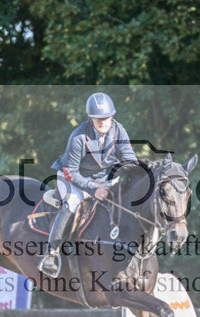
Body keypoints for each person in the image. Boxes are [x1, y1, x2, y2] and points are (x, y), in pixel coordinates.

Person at [40, 92, 138, 277]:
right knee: (72, 204)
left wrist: (138, 172)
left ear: (112, 116)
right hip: (73, 177)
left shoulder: (119, 130)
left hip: (104, 178)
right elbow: (71, 172)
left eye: (106, 118)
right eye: (98, 118)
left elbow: (129, 158)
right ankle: (51, 254)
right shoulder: (78, 137)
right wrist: (94, 190)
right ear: (91, 118)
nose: (102, 122)